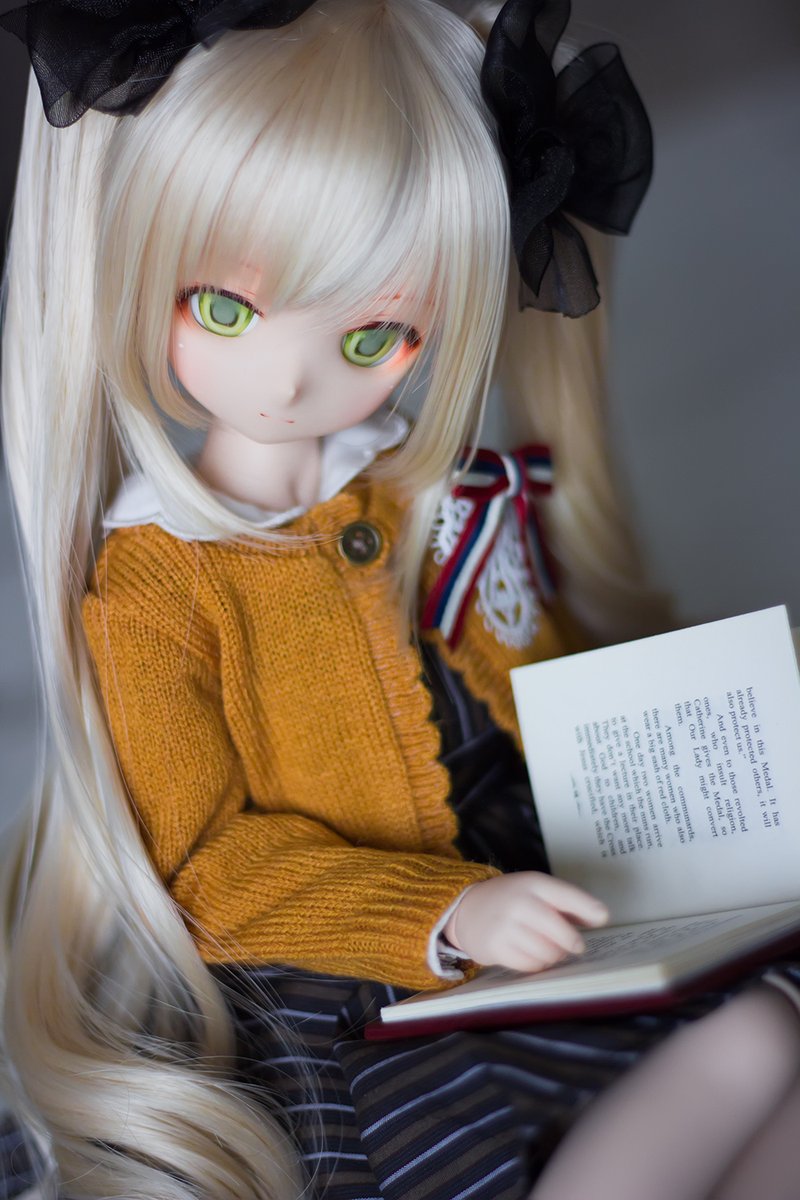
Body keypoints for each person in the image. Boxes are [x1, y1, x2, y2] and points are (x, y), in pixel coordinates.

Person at [1, 2, 799, 1199]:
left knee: (772, 1030)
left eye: (375, 335)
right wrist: (449, 915)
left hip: (548, 879)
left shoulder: (431, 490)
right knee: (748, 1048)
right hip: (365, 968)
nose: (289, 379)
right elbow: (208, 867)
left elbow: (541, 671)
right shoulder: (159, 580)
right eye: (224, 309)